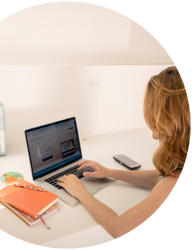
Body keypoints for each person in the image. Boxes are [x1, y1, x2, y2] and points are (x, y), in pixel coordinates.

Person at [57, 66, 189, 239]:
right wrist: (110, 172)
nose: (154, 135)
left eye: (159, 124)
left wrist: (80, 192)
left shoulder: (178, 184)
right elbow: (161, 177)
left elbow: (119, 229)